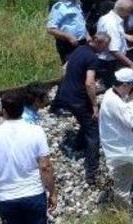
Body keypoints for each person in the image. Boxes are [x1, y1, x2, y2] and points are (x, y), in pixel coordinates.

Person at [0, 90, 57, 224]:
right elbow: (45, 167)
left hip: (6, 198)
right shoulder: (36, 131)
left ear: (3, 111)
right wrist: (53, 192)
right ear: (22, 108)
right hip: (33, 194)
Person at [51, 32, 110, 185]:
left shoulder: (79, 50)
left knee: (86, 120)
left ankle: (78, 144)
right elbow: (90, 83)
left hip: (65, 95)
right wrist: (95, 105)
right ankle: (91, 173)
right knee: (93, 131)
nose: (107, 49)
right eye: (106, 45)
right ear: (99, 42)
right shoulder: (92, 58)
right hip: (78, 99)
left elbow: (65, 69)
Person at [99, 68, 133, 222]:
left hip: (129, 149)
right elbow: (130, 122)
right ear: (125, 85)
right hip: (121, 153)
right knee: (123, 187)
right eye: (132, 86)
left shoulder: (115, 95)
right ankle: (124, 215)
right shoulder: (113, 101)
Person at [97, 0, 133, 87]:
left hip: (112, 62)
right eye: (129, 11)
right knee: (118, 89)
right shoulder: (111, 23)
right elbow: (114, 50)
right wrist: (131, 64)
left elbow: (117, 34)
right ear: (124, 11)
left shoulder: (108, 18)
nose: (129, 15)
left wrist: (125, 36)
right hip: (112, 63)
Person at [47, 0, 88, 64]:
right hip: (68, 44)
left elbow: (80, 22)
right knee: (72, 69)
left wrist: (87, 36)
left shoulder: (77, 4)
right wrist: (68, 36)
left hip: (81, 43)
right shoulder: (59, 7)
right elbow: (50, 29)